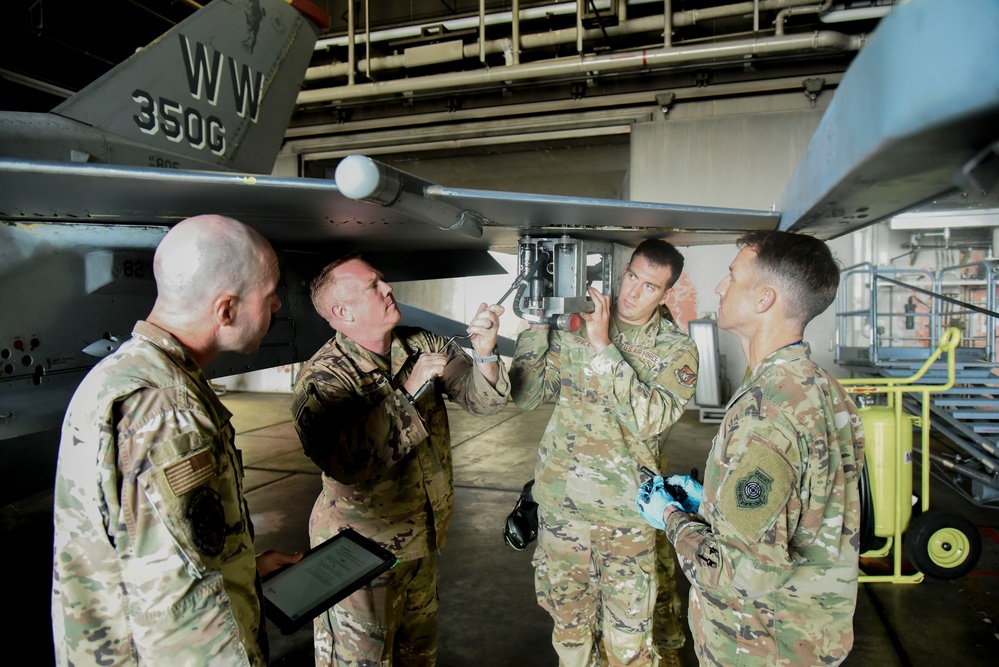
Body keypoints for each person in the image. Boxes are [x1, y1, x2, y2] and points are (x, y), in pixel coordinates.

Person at [51, 214, 302, 666]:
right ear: (226, 310)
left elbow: (146, 553)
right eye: (270, 295)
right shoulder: (168, 412)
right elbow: (184, 608)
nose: (278, 306)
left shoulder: (125, 372)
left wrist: (243, 569)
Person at [636, 231, 866, 667]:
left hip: (757, 644)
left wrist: (671, 516)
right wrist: (710, 504)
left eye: (732, 275)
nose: (721, 288)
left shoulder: (768, 411)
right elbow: (805, 509)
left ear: (764, 299)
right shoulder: (820, 387)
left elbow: (737, 572)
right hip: (806, 636)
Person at [291, 254, 511, 666]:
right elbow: (346, 464)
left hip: (420, 540)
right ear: (342, 312)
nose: (388, 288)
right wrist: (407, 392)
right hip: (359, 552)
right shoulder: (323, 377)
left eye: (382, 280)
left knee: (417, 656)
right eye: (373, 286)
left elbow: (480, 400)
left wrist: (485, 353)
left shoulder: (422, 343)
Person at [510, 239, 699, 666]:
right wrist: (538, 325)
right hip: (563, 509)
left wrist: (602, 347)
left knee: (627, 646)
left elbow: (651, 419)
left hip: (626, 515)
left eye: (649, 286)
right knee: (570, 638)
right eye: (631, 276)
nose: (632, 292)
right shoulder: (578, 322)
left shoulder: (675, 349)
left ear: (665, 294)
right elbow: (527, 395)